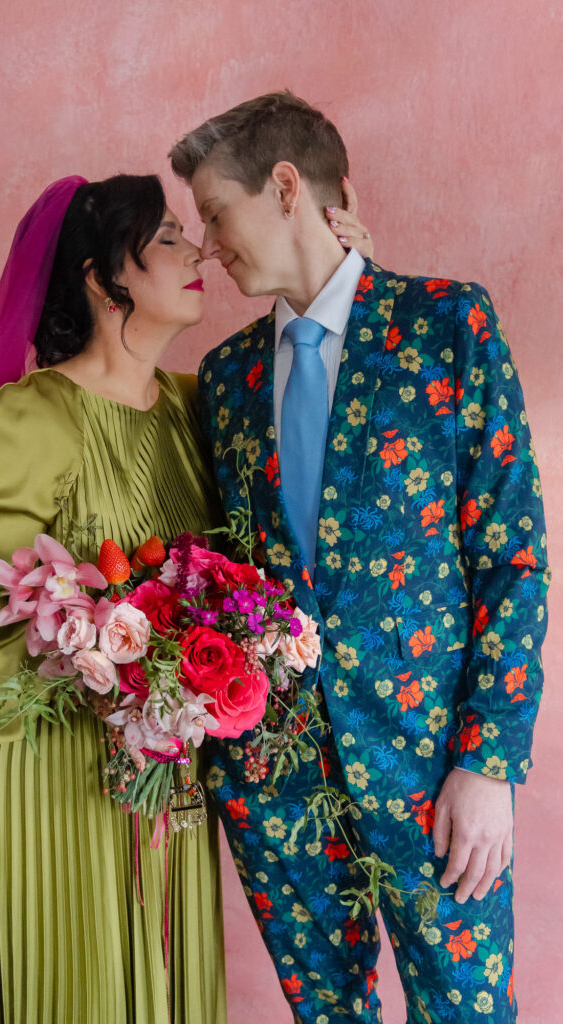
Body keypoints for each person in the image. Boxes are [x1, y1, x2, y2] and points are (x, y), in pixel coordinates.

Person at [0, 170, 372, 1023]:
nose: (198, 255)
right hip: (49, 776)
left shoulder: (195, 406)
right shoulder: (35, 418)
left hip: (163, 781)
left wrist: (350, 270)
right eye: (170, 241)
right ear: (103, 279)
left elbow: (322, 402)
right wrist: (89, 642)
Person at [169, 92, 549, 1023]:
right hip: (276, 779)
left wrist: (490, 764)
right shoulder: (224, 381)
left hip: (432, 770)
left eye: (216, 213)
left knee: (466, 1011)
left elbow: (513, 559)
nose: (210, 245)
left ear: (285, 187)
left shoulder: (446, 325)